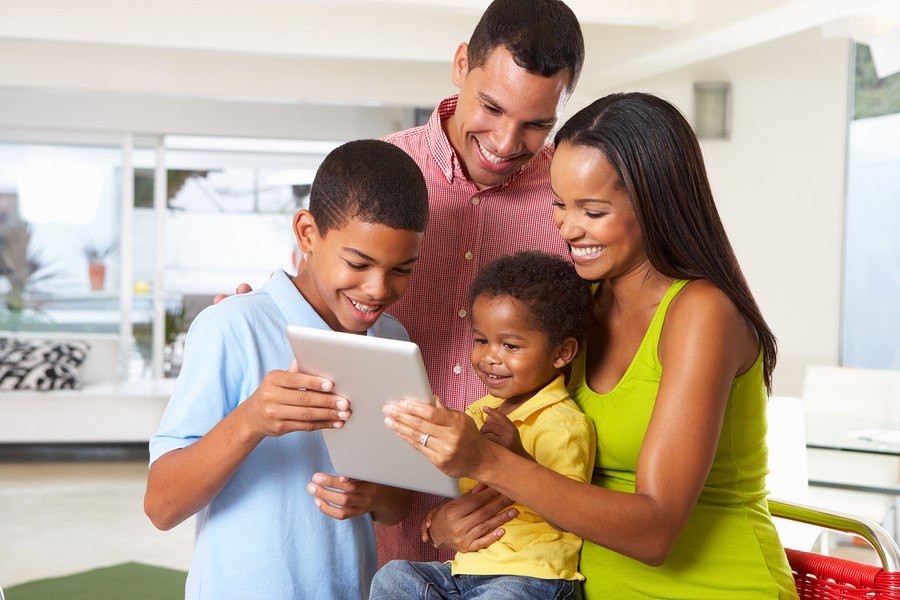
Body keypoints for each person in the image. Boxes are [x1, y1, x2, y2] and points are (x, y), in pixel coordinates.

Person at [382, 93, 800, 599]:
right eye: (558, 203)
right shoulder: (575, 310)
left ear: (655, 205)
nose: (567, 227)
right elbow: (542, 465)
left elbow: (655, 530)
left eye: (593, 210)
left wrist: (485, 463)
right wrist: (451, 520)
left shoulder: (701, 313)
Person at [217, 0, 586, 566]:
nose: (508, 142)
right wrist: (250, 316)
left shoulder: (568, 193)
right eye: (491, 106)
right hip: (385, 515)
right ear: (461, 65)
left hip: (516, 532)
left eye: (537, 123)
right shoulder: (382, 174)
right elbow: (317, 298)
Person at [144, 139, 429, 600]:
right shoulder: (232, 326)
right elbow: (161, 506)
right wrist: (250, 420)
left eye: (402, 269)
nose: (377, 289)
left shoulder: (393, 341)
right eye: (358, 263)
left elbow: (394, 507)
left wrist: (371, 495)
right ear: (307, 233)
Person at [371, 251, 595, 600]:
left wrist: (518, 456)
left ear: (562, 353)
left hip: (531, 579)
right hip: (464, 573)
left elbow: (570, 516)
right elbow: (459, 486)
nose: (490, 356)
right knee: (393, 576)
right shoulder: (478, 412)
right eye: (481, 340)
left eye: (510, 345)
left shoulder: (563, 424)